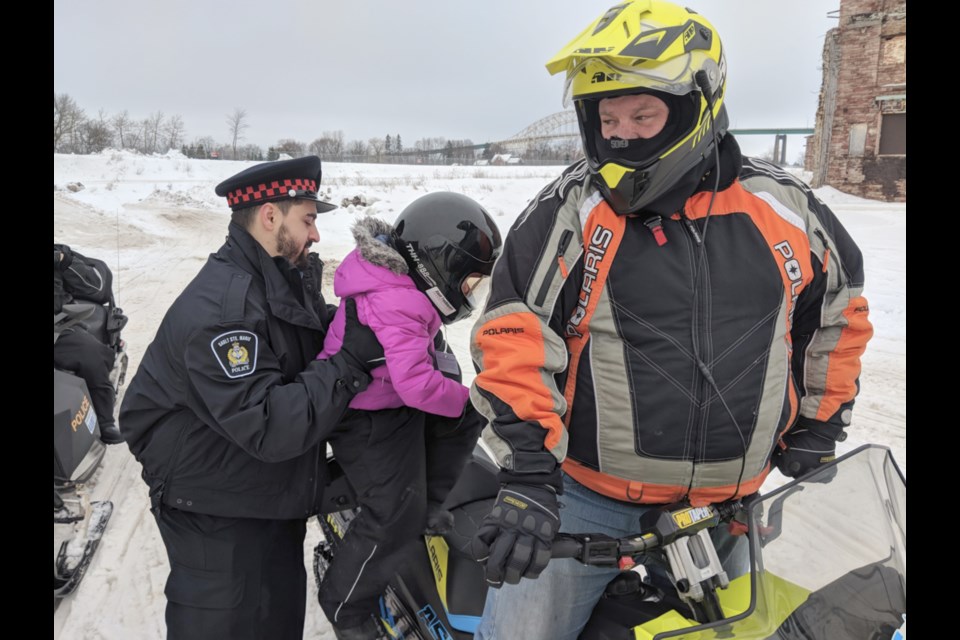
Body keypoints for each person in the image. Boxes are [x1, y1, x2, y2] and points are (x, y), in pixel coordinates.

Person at [466, 2, 874, 638]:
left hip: (727, 510)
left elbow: (838, 318)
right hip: (583, 504)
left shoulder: (785, 210)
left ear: (697, 104)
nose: (622, 134)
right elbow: (514, 337)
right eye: (607, 118)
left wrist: (820, 425)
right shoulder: (569, 213)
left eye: (642, 114)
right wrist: (527, 474)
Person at [119, 156, 386, 640]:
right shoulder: (224, 310)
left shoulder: (278, 279)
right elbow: (269, 425)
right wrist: (349, 364)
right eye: (308, 219)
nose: (316, 235)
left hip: (263, 494)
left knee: (275, 622)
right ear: (270, 216)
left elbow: (312, 340)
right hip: (215, 510)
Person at [315, 192, 501, 639]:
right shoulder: (398, 300)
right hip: (363, 415)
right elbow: (416, 385)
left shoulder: (401, 288)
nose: (468, 295)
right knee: (390, 513)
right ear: (439, 265)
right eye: (469, 284)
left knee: (462, 420)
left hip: (387, 400)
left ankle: (429, 507)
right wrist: (472, 398)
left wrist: (467, 403)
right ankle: (344, 605)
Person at [54, 243, 124, 445]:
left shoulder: (61, 255)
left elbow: (95, 286)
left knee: (90, 353)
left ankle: (104, 421)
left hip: (58, 327)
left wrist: (66, 262)